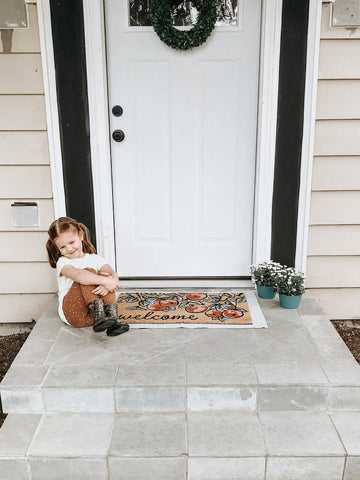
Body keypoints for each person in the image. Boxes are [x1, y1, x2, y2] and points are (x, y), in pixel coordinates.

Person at [46, 217, 129, 337]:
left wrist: (109, 283)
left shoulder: (95, 258)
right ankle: (99, 315)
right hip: (74, 314)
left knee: (105, 274)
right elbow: (80, 276)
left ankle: (112, 319)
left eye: (71, 242)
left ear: (81, 235)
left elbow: (112, 274)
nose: (69, 248)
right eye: (62, 247)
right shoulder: (63, 262)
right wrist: (105, 281)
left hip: (96, 318)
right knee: (87, 272)